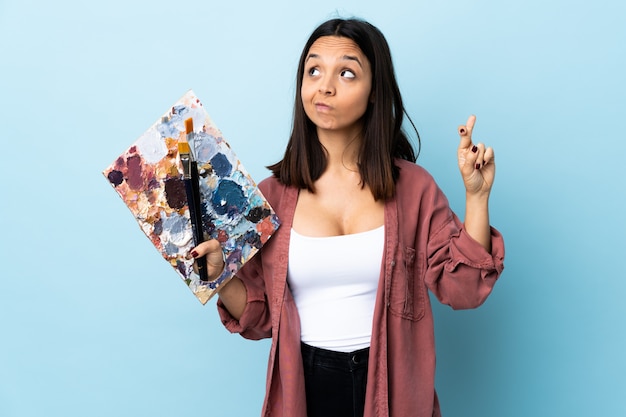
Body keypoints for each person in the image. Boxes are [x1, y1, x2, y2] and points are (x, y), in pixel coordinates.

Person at [191, 17, 505, 417]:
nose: (325, 85)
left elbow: (463, 290)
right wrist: (219, 275)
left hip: (393, 387)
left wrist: (476, 197)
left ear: (375, 91)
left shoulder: (414, 189)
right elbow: (260, 317)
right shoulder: (268, 198)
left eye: (347, 73)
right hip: (306, 385)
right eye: (314, 70)